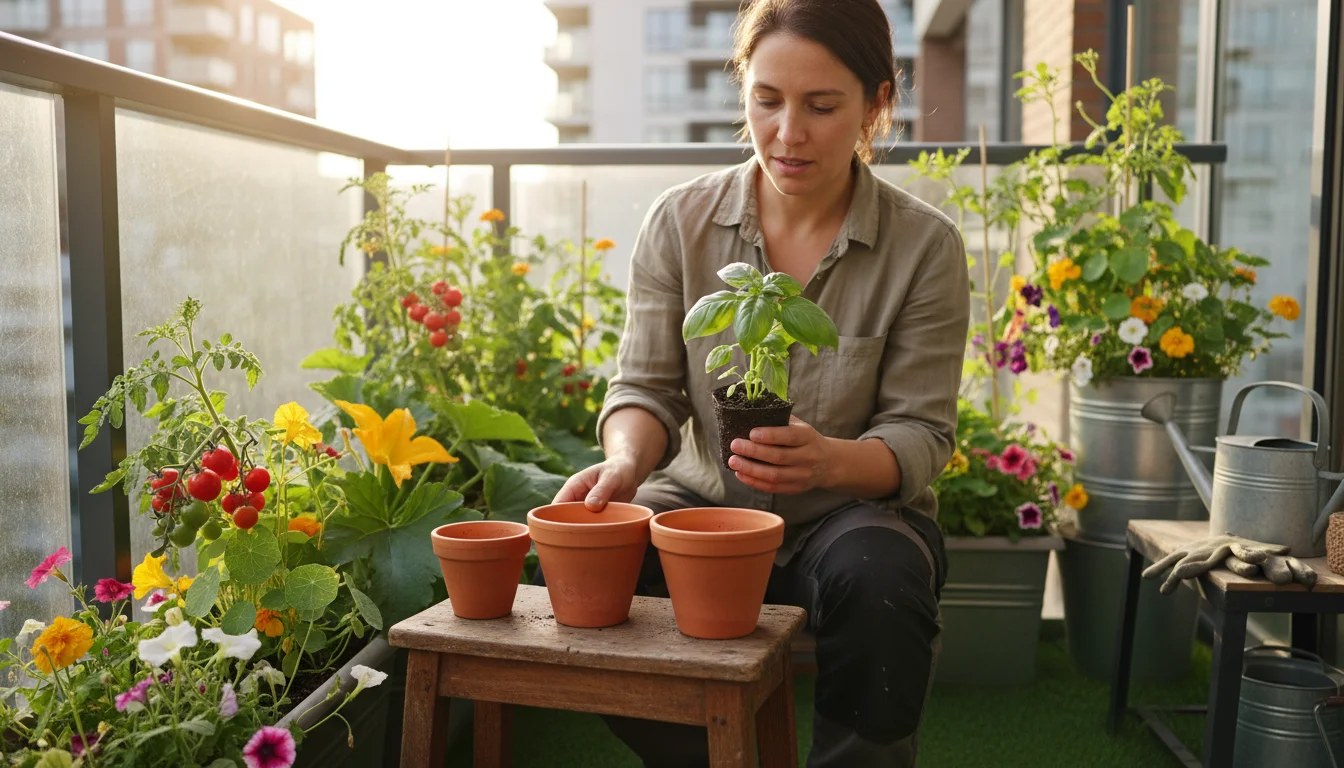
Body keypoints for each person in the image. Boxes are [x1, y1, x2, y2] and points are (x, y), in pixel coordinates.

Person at [547, 0, 970, 764]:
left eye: (822, 105)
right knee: (588, 558)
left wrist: (829, 461)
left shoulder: (924, 246)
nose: (788, 133)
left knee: (882, 580)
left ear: (877, 103)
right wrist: (624, 464)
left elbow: (921, 431)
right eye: (767, 100)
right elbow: (645, 388)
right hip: (700, 501)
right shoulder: (680, 222)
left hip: (848, 514)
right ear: (743, 87)